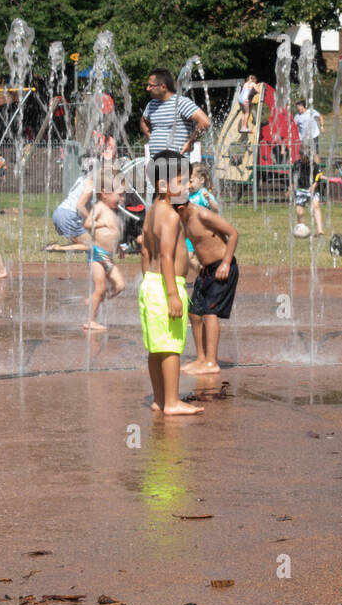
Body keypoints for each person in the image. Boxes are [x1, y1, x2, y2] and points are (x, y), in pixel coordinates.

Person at [139, 150, 202, 415]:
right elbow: (166, 254)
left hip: (151, 284)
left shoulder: (153, 210)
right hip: (167, 285)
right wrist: (173, 294)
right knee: (172, 347)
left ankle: (159, 398)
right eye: (182, 180)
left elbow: (144, 250)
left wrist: (148, 283)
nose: (188, 185)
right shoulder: (171, 216)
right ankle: (173, 402)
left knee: (156, 347)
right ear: (163, 185)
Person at [179, 183, 239, 376]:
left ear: (180, 208)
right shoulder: (183, 221)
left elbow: (232, 233)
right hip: (206, 270)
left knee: (209, 313)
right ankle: (201, 358)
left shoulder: (201, 215)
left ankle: (212, 362)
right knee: (194, 312)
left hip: (222, 267)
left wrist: (226, 263)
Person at [81, 173, 126, 332]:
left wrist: (119, 247)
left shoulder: (111, 211)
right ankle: (91, 320)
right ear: (105, 193)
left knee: (120, 285)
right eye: (119, 195)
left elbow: (113, 233)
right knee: (99, 287)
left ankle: (96, 299)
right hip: (97, 254)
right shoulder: (99, 207)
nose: (121, 199)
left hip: (108, 256)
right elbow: (87, 223)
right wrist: (101, 223)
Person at [140, 68, 210, 159]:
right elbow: (143, 122)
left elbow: (205, 122)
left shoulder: (181, 102)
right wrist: (151, 137)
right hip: (156, 162)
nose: (147, 89)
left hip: (177, 163)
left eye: (151, 86)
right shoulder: (151, 105)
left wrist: (190, 142)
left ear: (163, 87)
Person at [46, 165, 97, 252]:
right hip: (68, 216)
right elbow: (80, 205)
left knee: (82, 242)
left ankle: (57, 247)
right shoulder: (91, 183)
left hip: (60, 212)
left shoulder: (81, 179)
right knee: (95, 246)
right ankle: (57, 248)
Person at [292, 154, 324, 236]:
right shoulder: (297, 164)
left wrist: (314, 186)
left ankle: (320, 230)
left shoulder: (314, 165)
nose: (304, 160)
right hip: (301, 189)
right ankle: (301, 228)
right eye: (303, 158)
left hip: (312, 188)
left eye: (306, 159)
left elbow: (319, 177)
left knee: (316, 206)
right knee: (299, 211)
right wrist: (291, 188)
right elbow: (293, 178)